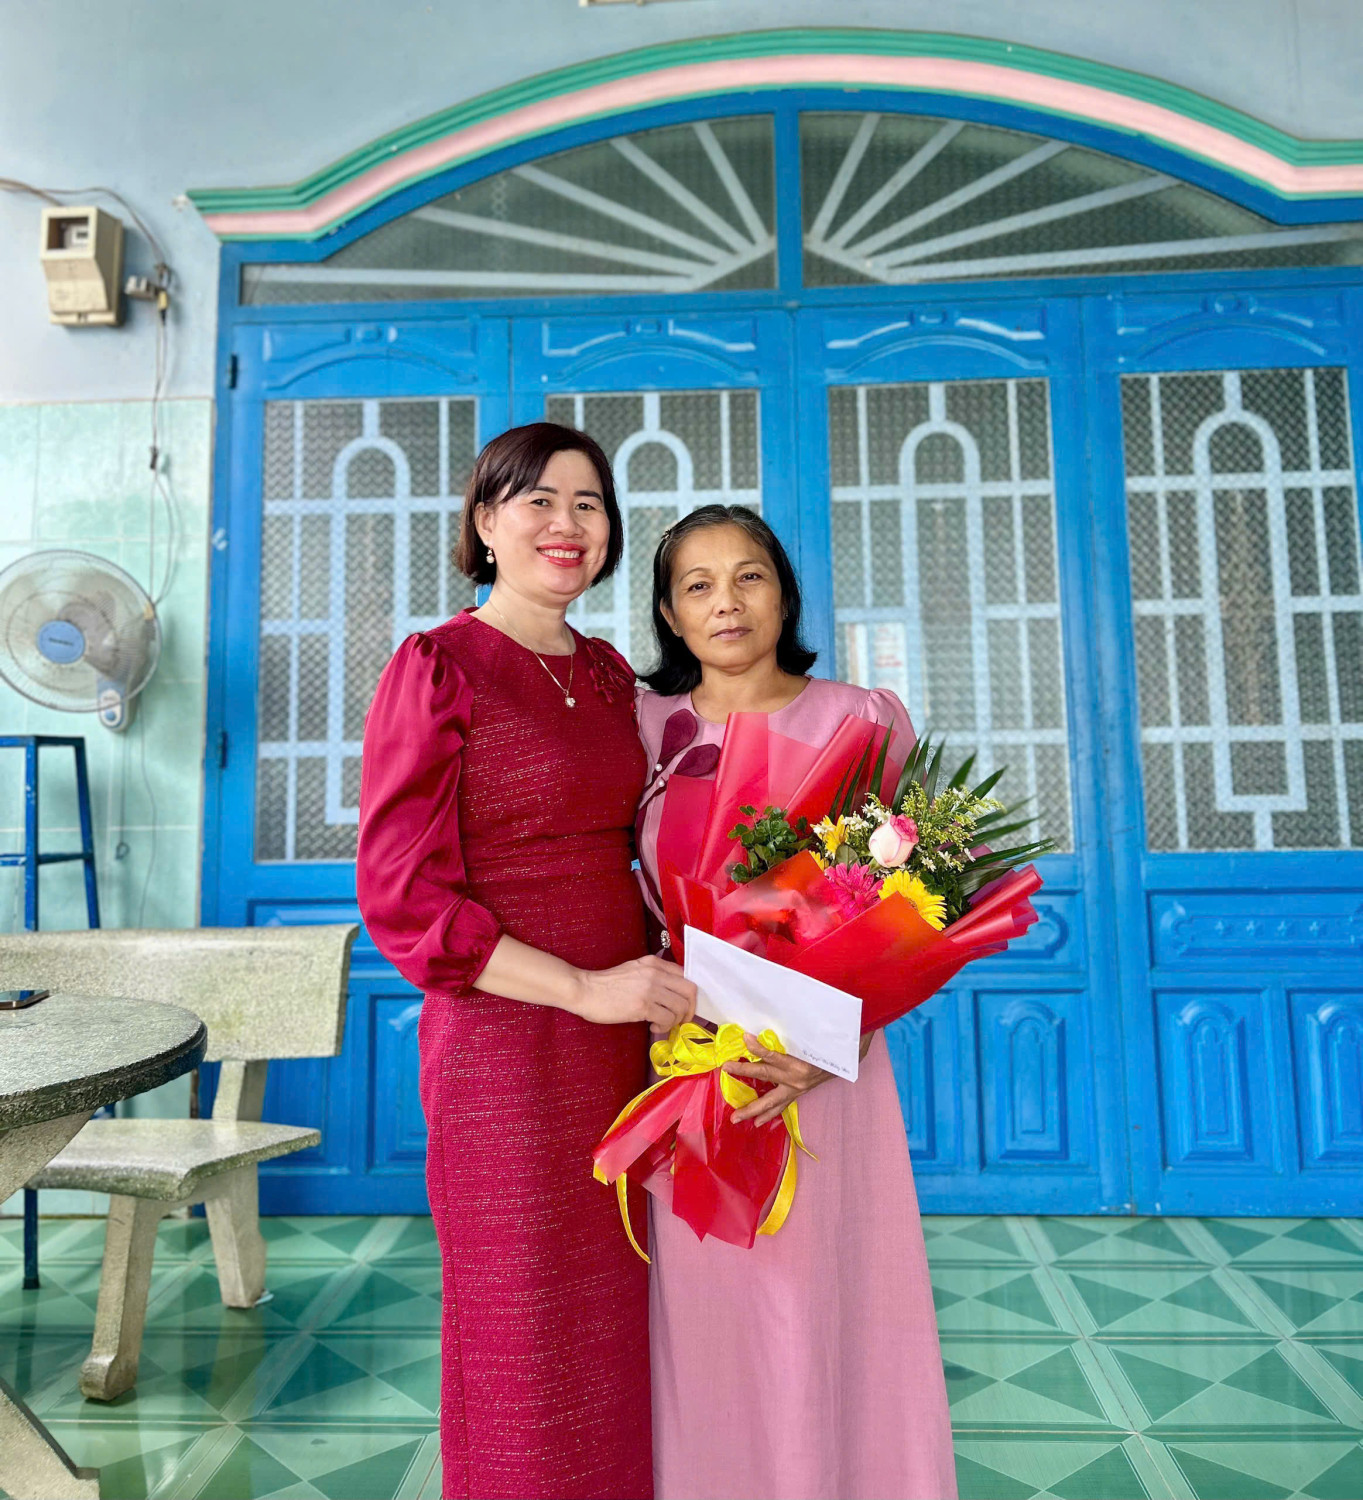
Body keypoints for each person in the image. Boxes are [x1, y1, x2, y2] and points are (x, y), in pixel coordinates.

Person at [357, 423, 695, 1500]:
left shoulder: (607, 673)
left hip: (624, 1046)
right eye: (538, 500)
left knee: (616, 1314)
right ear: (486, 522)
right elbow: (403, 899)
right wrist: (585, 989)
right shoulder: (437, 666)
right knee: (521, 1322)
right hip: (507, 1046)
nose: (566, 523)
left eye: (588, 504)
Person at [634, 505, 957, 1500]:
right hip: (687, 1066)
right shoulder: (642, 729)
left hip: (826, 1070)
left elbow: (925, 901)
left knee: (833, 1307)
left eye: (749, 576)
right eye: (697, 585)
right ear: (668, 614)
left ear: (784, 593)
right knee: (708, 1314)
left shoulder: (863, 721)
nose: (726, 602)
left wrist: (829, 1043)